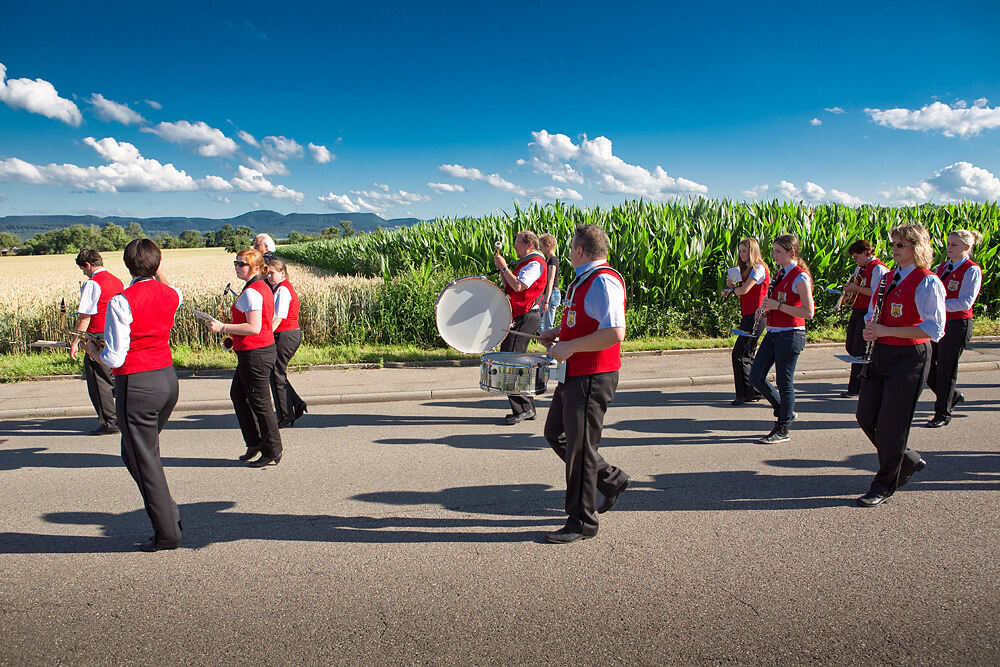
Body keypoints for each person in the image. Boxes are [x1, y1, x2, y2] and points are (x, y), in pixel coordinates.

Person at [82, 238, 183, 551]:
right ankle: (169, 512)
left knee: (144, 458)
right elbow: (169, 290)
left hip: (137, 383)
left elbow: (115, 357)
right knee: (135, 453)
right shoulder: (173, 294)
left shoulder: (122, 301)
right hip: (167, 379)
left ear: (127, 265)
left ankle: (168, 534)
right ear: (156, 263)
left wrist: (91, 350)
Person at [540, 224, 629, 544]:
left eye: (571, 246)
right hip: (575, 374)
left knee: (579, 449)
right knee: (556, 434)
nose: (568, 251)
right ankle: (610, 479)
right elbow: (585, 325)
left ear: (580, 251)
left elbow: (614, 332)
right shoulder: (584, 279)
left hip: (593, 376)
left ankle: (582, 522)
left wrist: (571, 347)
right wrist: (559, 336)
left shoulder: (604, 280)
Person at [856, 223, 945, 507]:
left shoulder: (927, 280)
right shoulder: (887, 277)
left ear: (916, 247)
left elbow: (933, 329)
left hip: (909, 357)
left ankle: (883, 484)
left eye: (900, 245)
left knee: (892, 425)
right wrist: (871, 328)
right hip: (881, 353)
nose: (893, 249)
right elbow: (875, 313)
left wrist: (885, 331)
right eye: (893, 244)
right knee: (866, 416)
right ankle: (906, 460)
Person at [205, 249, 283, 467]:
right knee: (238, 396)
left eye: (242, 264)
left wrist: (222, 328)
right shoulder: (258, 286)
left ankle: (272, 450)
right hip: (255, 351)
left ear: (256, 268)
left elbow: (254, 327)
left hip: (256, 353)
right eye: (236, 263)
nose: (238, 267)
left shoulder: (253, 291)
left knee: (261, 404)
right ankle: (255, 443)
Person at [748, 234, 815, 444]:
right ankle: (785, 410)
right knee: (756, 376)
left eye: (778, 251)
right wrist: (768, 312)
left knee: (785, 381)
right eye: (774, 251)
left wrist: (778, 307)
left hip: (791, 334)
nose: (774, 255)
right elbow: (777, 303)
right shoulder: (780, 274)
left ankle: (783, 427)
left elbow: (808, 312)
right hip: (774, 331)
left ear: (791, 252)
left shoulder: (800, 276)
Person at [924, 229, 983, 427]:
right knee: (927, 366)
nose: (949, 248)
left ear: (966, 248)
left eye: (954, 245)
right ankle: (953, 396)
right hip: (938, 322)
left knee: (946, 370)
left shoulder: (971, 270)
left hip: (957, 323)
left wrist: (937, 305)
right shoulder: (941, 267)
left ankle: (942, 413)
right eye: (948, 243)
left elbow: (965, 302)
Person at [493, 230, 548, 425]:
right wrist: (503, 270)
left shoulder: (534, 263)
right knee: (514, 360)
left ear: (529, 245)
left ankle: (522, 409)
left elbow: (518, 286)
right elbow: (510, 284)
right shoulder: (528, 263)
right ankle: (527, 408)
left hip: (526, 316)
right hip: (523, 315)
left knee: (511, 361)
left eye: (517, 243)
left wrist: (505, 267)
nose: (515, 246)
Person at [71, 250, 124, 435]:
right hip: (116, 333)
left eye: (82, 269)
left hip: (97, 336)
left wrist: (75, 342)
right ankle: (123, 415)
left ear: (87, 265)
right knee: (113, 376)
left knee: (99, 381)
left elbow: (85, 317)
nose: (83, 273)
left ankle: (109, 423)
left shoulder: (92, 284)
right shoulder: (118, 281)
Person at [722, 238, 769, 405]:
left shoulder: (758, 269)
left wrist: (733, 289)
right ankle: (751, 391)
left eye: (745, 251)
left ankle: (747, 393)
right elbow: (742, 290)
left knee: (741, 353)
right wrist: (732, 287)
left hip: (756, 316)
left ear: (753, 251)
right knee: (746, 353)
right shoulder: (748, 270)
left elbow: (745, 289)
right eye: (740, 251)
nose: (742, 254)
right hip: (749, 315)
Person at [840, 240, 888, 398]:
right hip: (857, 310)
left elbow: (876, 292)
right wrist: (850, 290)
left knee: (859, 351)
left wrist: (856, 289)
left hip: (868, 312)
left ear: (867, 253)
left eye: (856, 256)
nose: (855, 260)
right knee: (851, 347)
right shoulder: (861, 268)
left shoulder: (878, 269)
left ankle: (856, 388)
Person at [266, 258, 308, 428]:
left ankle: (285, 415)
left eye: (272, 273)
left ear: (282, 273)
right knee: (277, 372)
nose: (269, 276)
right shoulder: (278, 288)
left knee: (276, 373)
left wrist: (265, 335)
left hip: (285, 334)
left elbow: (278, 317)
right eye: (267, 272)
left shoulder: (282, 290)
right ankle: (296, 404)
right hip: (286, 334)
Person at [538, 233, 561, 333]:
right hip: (548, 294)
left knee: (548, 327)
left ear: (548, 246)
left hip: (551, 295)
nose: (540, 249)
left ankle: (552, 347)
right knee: (540, 326)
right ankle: (550, 345)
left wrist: (546, 301)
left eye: (541, 246)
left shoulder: (553, 261)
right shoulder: (548, 260)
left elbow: (550, 281)